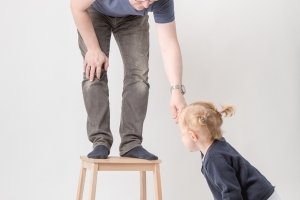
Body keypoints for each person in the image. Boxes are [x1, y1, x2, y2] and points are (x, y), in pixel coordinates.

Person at [70, 0, 186, 160]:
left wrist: (176, 90)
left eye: (150, 1)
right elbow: (76, 6)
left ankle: (131, 143)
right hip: (94, 11)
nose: (146, 5)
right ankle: (100, 141)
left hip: (133, 19)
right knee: (95, 71)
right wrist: (93, 49)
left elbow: (169, 44)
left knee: (139, 75)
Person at [178, 101, 281, 200]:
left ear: (193, 136)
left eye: (182, 133)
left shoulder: (214, 159)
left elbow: (231, 192)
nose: (181, 137)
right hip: (264, 194)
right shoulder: (217, 147)